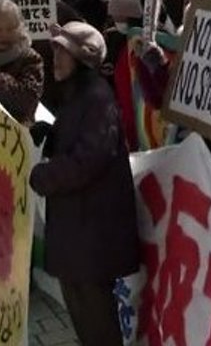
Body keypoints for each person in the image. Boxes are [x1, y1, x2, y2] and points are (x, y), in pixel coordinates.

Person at [29, 21, 140, 346]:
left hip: (94, 229)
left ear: (83, 58)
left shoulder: (97, 98)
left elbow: (88, 159)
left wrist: (42, 175)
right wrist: (47, 138)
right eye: (55, 51)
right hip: (78, 226)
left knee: (96, 318)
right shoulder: (76, 95)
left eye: (63, 52)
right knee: (79, 307)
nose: (56, 59)